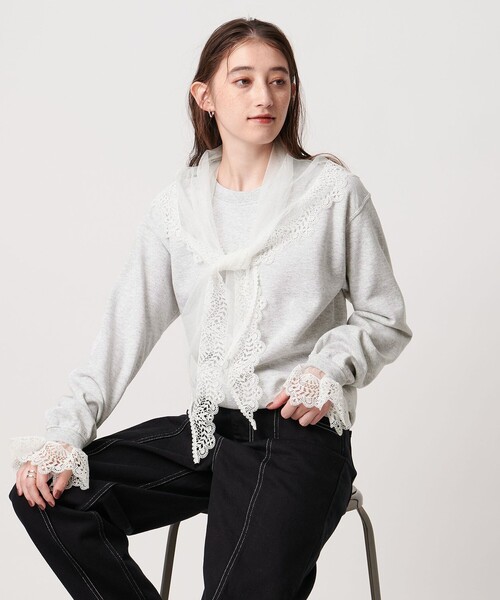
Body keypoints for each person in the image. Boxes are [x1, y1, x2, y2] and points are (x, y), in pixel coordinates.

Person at [8, 16, 413, 600]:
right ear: (205, 97)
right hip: (208, 433)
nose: (264, 96)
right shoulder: (176, 210)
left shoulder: (332, 194)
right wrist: (65, 433)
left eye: (278, 80)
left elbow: (384, 317)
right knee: (48, 496)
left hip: (297, 440)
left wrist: (327, 370)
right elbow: (121, 335)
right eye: (243, 81)